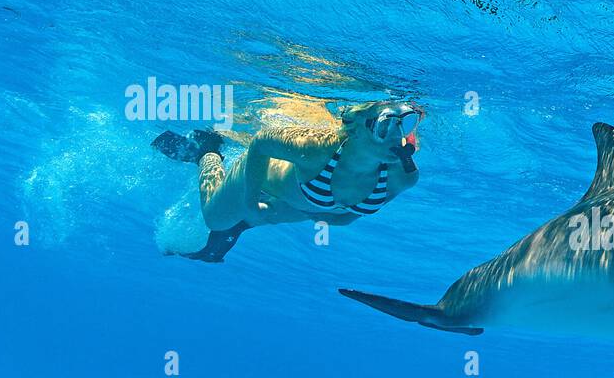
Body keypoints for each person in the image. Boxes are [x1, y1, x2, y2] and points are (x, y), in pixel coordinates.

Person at [152, 100, 421, 262]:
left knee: (256, 219)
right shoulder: (318, 149)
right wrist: (249, 199)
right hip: (266, 179)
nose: (397, 138)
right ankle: (207, 151)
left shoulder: (404, 176)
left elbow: (349, 215)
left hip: (305, 203)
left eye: (406, 124)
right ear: (358, 127)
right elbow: (260, 142)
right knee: (215, 219)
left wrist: (329, 218)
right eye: (386, 126)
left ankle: (240, 227)